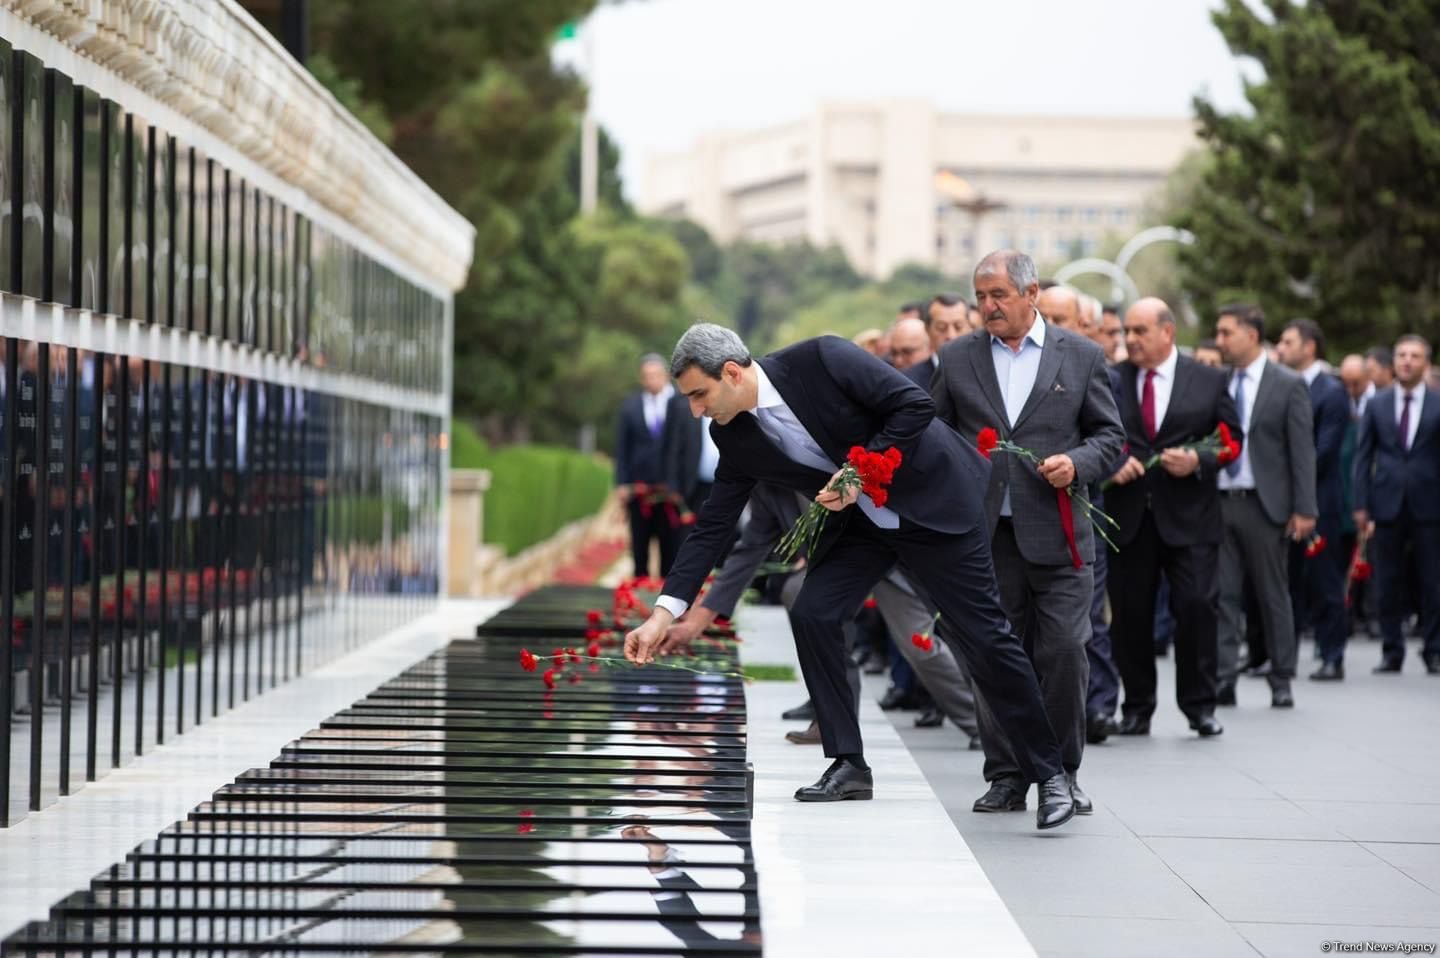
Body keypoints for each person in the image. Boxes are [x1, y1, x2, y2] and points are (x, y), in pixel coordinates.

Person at [625, 323, 1076, 829]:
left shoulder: (823, 358)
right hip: (863, 524)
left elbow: (914, 406)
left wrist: (859, 474)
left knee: (986, 637)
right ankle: (848, 764)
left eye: (699, 394)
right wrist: (662, 615)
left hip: (935, 504)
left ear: (732, 372)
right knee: (814, 609)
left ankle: (1051, 774)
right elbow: (712, 528)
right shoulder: (731, 433)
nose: (695, 409)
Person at [932, 250, 1125, 817]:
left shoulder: (1082, 355)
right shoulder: (958, 358)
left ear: (1031, 292)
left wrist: (1078, 463)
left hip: (1061, 535)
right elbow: (935, 435)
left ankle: (1062, 772)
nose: (988, 307)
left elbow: (1110, 438)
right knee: (995, 654)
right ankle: (1007, 774)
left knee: (1064, 649)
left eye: (999, 296)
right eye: (981, 297)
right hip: (985, 537)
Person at [1104, 298, 1241, 737]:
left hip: (1190, 516)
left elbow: (1230, 439)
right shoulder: (1111, 379)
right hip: (1129, 517)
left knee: (1198, 607)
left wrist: (1198, 460)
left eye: (1140, 331)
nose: (1131, 340)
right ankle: (1138, 706)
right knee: (1130, 614)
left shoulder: (1209, 379)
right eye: (1127, 331)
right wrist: (1112, 463)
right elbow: (1095, 431)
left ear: (1168, 332)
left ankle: (1200, 705)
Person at [1211, 306, 1316, 709]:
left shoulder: (1287, 384)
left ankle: (1282, 676)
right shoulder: (1218, 382)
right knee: (1224, 595)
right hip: (1220, 501)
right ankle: (1223, 679)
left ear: (1251, 335)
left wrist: (1305, 509)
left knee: (1273, 594)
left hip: (1266, 505)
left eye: (1226, 333)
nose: (1219, 341)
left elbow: (1302, 451)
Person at [1352, 335, 1440, 675]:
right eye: (1401, 355)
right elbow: (1363, 457)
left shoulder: (1436, 404)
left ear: (1425, 364)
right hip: (1386, 503)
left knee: (1432, 580)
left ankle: (1433, 649)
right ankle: (1392, 650)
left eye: (1414, 356)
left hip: (1430, 505)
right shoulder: (1378, 404)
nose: (1406, 361)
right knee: (1386, 580)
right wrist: (1360, 503)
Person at [1276, 319, 1351, 680]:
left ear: (1309, 347)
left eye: (1288, 341)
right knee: (1289, 582)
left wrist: (1288, 473)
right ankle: (1284, 656)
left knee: (1326, 580)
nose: (1281, 346)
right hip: (1285, 499)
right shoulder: (1285, 384)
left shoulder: (1332, 390)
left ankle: (1333, 654)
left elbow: (1325, 449)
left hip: (1320, 500)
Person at [615, 354, 688, 577]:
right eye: (647, 376)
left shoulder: (682, 402)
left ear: (666, 375)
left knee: (671, 547)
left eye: (656, 375)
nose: (651, 380)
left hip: (671, 490)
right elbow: (622, 448)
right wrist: (622, 483)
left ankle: (667, 600)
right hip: (640, 489)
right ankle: (638, 594)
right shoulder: (630, 406)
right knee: (639, 546)